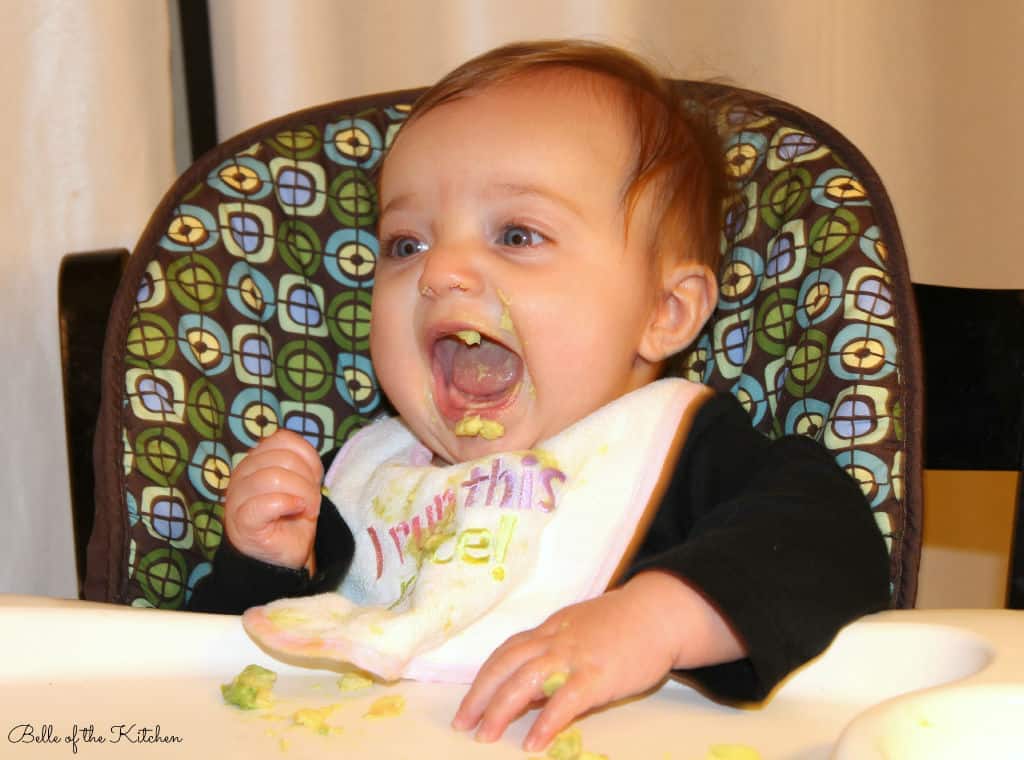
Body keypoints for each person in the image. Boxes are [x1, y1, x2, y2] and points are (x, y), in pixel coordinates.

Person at [189, 39, 890, 752]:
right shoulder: (368, 484)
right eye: (406, 244)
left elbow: (831, 549)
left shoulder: (681, 454)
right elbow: (214, 676)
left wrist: (650, 622)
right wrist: (266, 563)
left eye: (517, 234)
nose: (441, 272)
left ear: (665, 313)